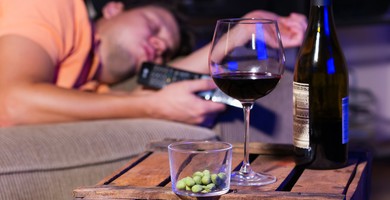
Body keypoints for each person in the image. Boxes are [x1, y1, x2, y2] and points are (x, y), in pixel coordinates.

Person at [0, 0, 306, 127]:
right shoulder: (53, 8)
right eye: (153, 25)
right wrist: (149, 106)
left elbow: (166, 78)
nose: (158, 45)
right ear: (113, 9)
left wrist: (242, 31)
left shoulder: (90, 84)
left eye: (163, 52)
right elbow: (12, 102)